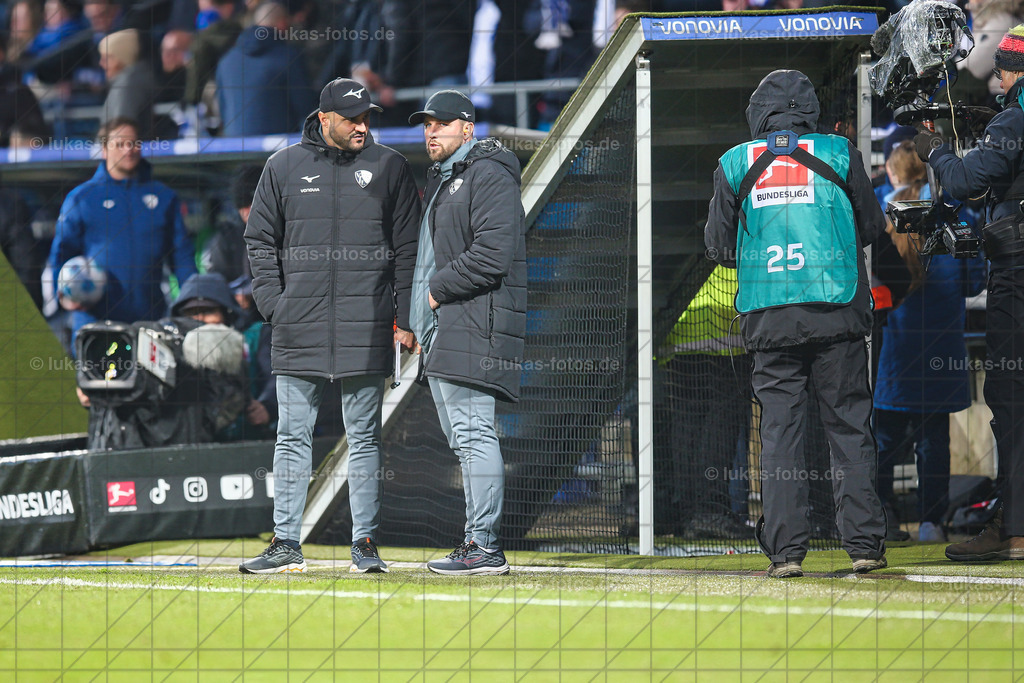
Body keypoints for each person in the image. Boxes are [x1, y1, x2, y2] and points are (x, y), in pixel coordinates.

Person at [705, 69, 888, 578]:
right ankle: (864, 545)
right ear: (809, 109)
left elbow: (717, 247)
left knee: (781, 435)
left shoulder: (735, 162)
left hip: (770, 316)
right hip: (837, 310)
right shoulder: (839, 152)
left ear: (758, 113)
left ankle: (786, 553)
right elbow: (872, 227)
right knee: (849, 428)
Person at [240, 78, 420, 574]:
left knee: (364, 438)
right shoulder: (282, 167)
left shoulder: (391, 167)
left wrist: (405, 318)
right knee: (292, 436)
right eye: (351, 119)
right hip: (298, 325)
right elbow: (259, 240)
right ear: (324, 120)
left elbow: (409, 251)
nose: (362, 127)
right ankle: (285, 544)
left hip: (367, 326)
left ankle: (364, 544)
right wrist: (276, 305)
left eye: (366, 118)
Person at [916, 23, 1024, 561]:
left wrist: (936, 151)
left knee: (1010, 399)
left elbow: (962, 183)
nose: (998, 78)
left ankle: (1015, 529)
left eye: (1005, 69)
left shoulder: (1015, 117)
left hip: (1018, 276)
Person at [409, 90, 527, 575]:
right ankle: (477, 542)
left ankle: (484, 545)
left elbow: (493, 254)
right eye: (427, 124)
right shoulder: (450, 179)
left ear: (468, 127)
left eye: (442, 123)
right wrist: (419, 318)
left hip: (476, 319)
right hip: (451, 324)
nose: (431, 131)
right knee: (463, 437)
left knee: (474, 432)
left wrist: (435, 292)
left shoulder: (488, 173)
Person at [874, 142, 987, 543]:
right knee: (934, 440)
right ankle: (931, 522)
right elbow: (975, 282)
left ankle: (880, 518)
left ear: (893, 173)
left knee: (883, 438)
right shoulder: (952, 217)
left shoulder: (878, 216)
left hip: (892, 351)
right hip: (942, 351)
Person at [48, 116, 197, 343]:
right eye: (119, 144)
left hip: (151, 322)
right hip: (95, 323)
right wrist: (63, 296)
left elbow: (182, 257)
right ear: (104, 150)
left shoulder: (165, 197)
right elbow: (62, 252)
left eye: (134, 143)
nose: (128, 150)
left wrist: (193, 301)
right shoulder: (82, 198)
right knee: (99, 379)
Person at [215, 1, 316, 137]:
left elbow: (222, 109)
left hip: (236, 151)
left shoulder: (226, 60)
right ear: (282, 24)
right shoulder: (288, 57)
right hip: (278, 150)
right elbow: (305, 108)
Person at [98, 29, 157, 137]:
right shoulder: (129, 81)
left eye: (107, 58)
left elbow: (122, 133)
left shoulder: (127, 86)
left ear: (122, 57)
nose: (101, 63)